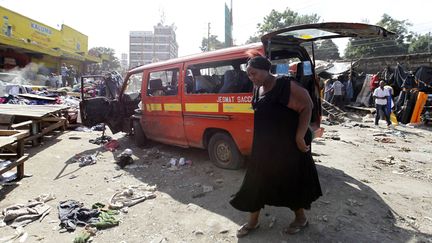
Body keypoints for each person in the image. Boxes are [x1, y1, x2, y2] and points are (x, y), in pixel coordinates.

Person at [230, 56, 322, 237]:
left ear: (266, 69)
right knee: (255, 183)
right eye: (249, 75)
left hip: (286, 147)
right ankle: (253, 222)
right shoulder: (258, 88)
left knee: (289, 183)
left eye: (254, 73)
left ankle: (301, 219)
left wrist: (299, 135)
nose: (251, 77)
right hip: (263, 148)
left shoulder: (285, 85)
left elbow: (307, 106)